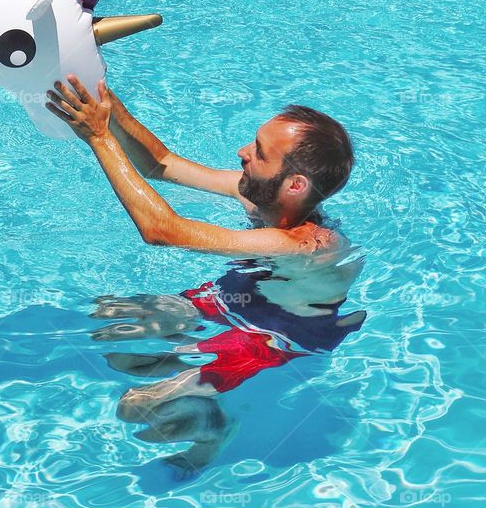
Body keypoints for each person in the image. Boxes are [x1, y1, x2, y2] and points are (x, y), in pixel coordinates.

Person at [45, 76, 362, 472]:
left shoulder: (305, 245)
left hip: (277, 334)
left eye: (260, 152)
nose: (243, 152)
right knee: (110, 326)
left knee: (135, 407)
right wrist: (105, 103)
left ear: (295, 184)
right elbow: (161, 164)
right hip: (238, 294)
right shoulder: (258, 193)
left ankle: (215, 423)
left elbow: (163, 230)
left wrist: (98, 138)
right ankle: (191, 366)